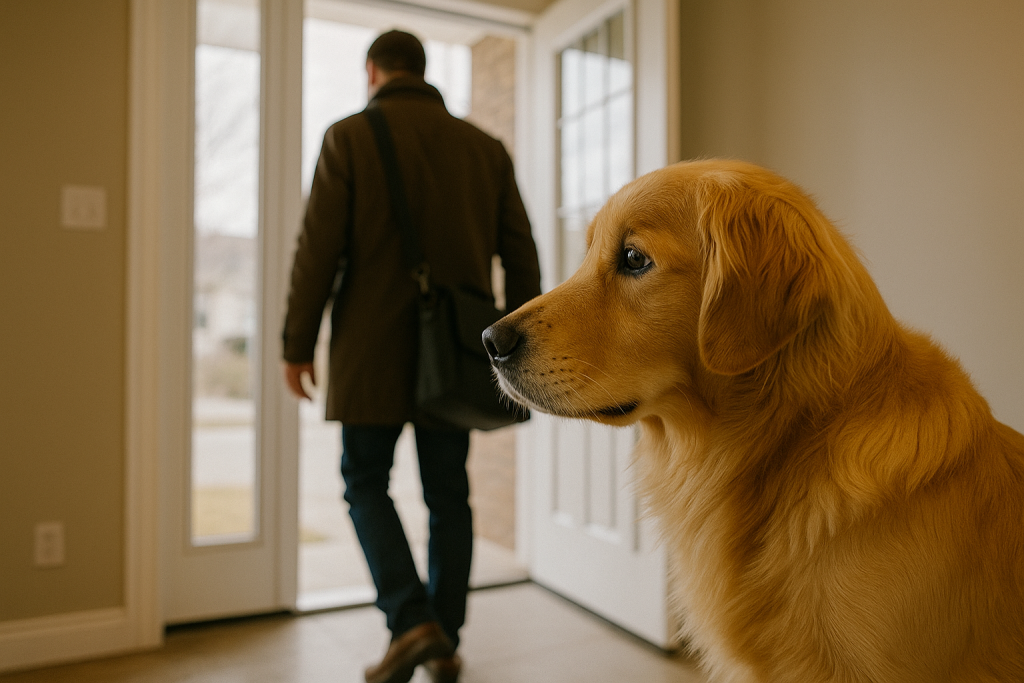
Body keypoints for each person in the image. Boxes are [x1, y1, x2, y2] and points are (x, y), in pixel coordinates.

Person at [281, 30, 541, 683]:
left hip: (370, 351)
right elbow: (521, 252)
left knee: (365, 481)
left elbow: (318, 251)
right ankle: (443, 639)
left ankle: (410, 619)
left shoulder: (348, 137)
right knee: (448, 491)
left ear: (374, 72)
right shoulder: (486, 149)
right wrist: (525, 348)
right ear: (422, 73)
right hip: (458, 353)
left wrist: (296, 342)